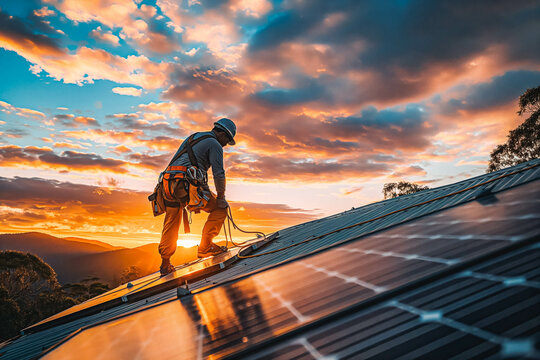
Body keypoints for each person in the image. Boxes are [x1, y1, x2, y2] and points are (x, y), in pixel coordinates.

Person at [158, 118, 236, 276]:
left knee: (171, 221)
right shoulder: (214, 144)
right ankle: (205, 247)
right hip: (187, 185)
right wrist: (221, 197)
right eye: (227, 140)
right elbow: (218, 173)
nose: (226, 144)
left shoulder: (194, 137)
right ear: (221, 134)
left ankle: (165, 264)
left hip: (168, 185)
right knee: (220, 208)